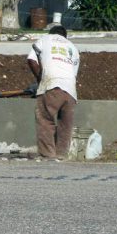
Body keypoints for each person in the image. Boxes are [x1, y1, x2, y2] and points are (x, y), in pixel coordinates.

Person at [27, 25, 80, 160]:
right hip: (70, 90)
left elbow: (31, 59)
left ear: (52, 33)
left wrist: (40, 78)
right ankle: (61, 154)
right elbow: (73, 73)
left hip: (52, 83)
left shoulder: (45, 39)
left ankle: (48, 154)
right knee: (65, 124)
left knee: (45, 119)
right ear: (64, 36)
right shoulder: (72, 47)